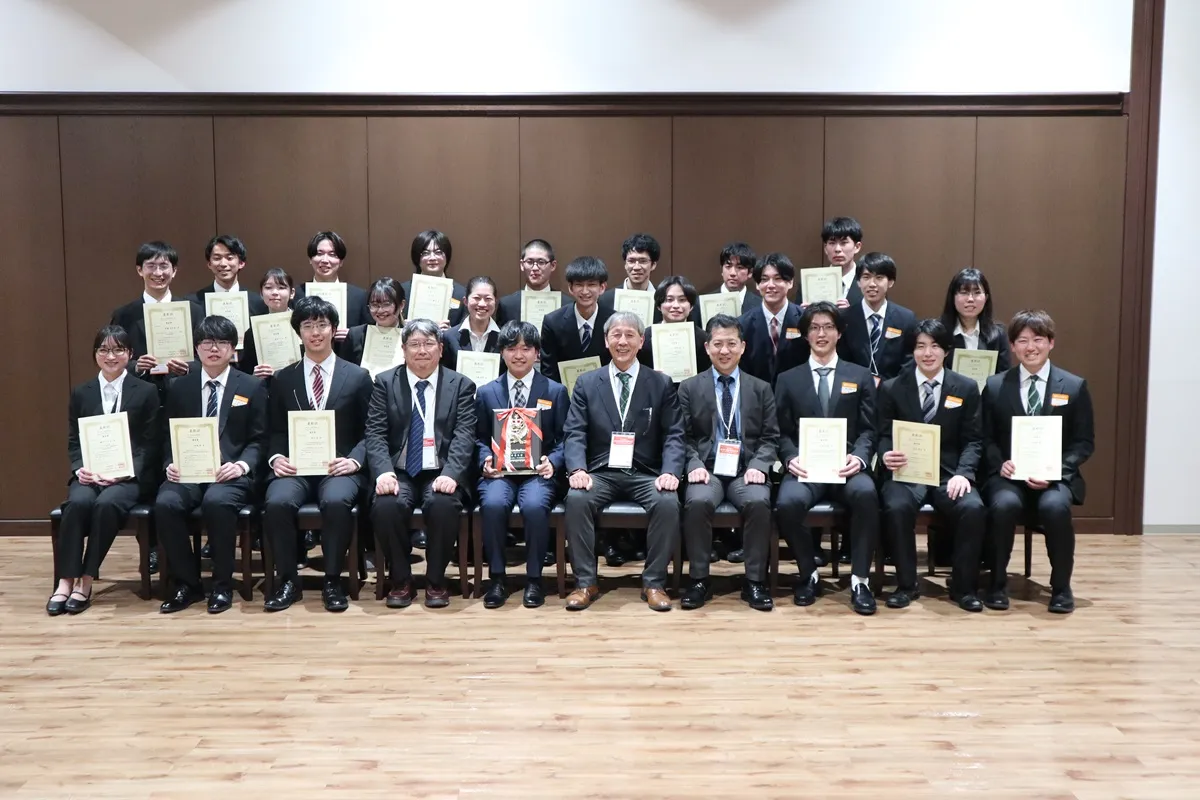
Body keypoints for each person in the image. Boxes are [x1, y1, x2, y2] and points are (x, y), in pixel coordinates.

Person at [562, 311, 685, 612]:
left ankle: (654, 583)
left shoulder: (660, 382)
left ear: (641, 341)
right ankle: (585, 583)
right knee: (576, 498)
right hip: (601, 472)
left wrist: (670, 472)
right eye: (616, 335)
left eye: (630, 335)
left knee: (667, 501)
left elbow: (674, 434)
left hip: (645, 472)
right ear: (606, 341)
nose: (622, 341)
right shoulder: (587, 383)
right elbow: (575, 432)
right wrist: (577, 469)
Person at [261, 296, 373, 613]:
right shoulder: (283, 378)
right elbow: (274, 430)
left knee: (336, 501)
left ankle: (333, 580)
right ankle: (287, 580)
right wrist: (276, 458)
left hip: (340, 467)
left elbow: (371, 430)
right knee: (277, 501)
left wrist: (354, 460)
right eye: (308, 326)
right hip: (295, 467)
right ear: (298, 332)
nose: (315, 332)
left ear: (333, 330)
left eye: (322, 325)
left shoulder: (358, 376)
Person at [982, 310, 1094, 614]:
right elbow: (985, 437)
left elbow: (1084, 442)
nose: (1030, 347)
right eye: (1022, 341)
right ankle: (997, 583)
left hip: (1054, 478)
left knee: (1055, 507)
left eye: (1038, 339)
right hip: (1009, 477)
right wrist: (1000, 463)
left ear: (1051, 342)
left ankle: (1061, 587)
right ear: (1012, 346)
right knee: (1003, 505)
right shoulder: (995, 386)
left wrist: (1056, 470)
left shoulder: (1073, 386)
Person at [155, 315, 268, 614]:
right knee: (166, 503)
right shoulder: (180, 387)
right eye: (207, 342)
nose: (214, 349)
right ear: (196, 348)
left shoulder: (252, 386)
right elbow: (167, 435)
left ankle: (221, 586)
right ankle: (187, 584)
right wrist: (169, 463)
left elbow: (260, 439)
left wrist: (242, 465)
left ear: (233, 350)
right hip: (189, 471)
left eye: (221, 342)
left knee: (217, 502)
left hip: (230, 473)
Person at [774, 301, 879, 615]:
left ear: (839, 333)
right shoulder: (788, 379)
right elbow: (780, 431)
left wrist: (860, 458)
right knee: (787, 503)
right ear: (805, 335)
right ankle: (809, 573)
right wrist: (789, 457)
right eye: (815, 328)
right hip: (806, 467)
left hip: (847, 467)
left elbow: (869, 429)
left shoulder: (860, 376)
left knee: (867, 494)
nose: (822, 334)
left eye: (829, 327)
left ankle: (860, 580)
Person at [366, 318, 477, 609]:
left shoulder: (460, 385)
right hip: (398, 470)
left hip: (440, 469)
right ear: (403, 350)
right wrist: (383, 472)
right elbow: (375, 434)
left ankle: (436, 580)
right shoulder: (385, 382)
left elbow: (465, 435)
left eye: (428, 343)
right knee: (386, 505)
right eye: (414, 344)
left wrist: (452, 473)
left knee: (443, 503)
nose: (422, 350)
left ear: (441, 348)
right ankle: (401, 580)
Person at [877, 319, 987, 612]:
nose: (927, 353)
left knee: (972, 508)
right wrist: (886, 454)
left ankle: (963, 587)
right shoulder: (892, 388)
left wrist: (964, 474)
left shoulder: (966, 387)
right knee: (896, 507)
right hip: (906, 472)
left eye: (935, 346)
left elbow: (974, 440)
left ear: (947, 350)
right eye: (920, 346)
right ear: (912, 351)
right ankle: (906, 584)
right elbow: (883, 434)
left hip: (948, 474)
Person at [49, 325, 159, 616]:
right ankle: (65, 581)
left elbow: (150, 443)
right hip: (90, 474)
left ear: (130, 354)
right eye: (104, 350)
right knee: (77, 503)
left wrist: (126, 472)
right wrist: (80, 468)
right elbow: (74, 440)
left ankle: (85, 580)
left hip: (128, 477)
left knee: (108, 504)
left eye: (118, 350)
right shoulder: (81, 392)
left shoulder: (146, 391)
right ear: (95, 354)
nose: (111, 356)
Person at [677, 314, 778, 611]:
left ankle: (755, 581)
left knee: (758, 502)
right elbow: (681, 436)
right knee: (697, 502)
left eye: (731, 344)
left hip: (746, 470)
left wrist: (759, 465)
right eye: (718, 344)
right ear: (707, 347)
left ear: (743, 347)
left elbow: (771, 437)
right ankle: (699, 579)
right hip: (706, 469)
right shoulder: (689, 388)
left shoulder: (761, 388)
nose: (724, 351)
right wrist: (693, 464)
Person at [474, 321, 569, 608]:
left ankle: (534, 579)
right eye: (511, 348)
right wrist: (484, 460)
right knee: (492, 504)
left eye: (526, 348)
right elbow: (477, 438)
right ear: (501, 353)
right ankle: (497, 578)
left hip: (538, 473)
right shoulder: (486, 392)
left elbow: (568, 437)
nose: (519, 355)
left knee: (535, 506)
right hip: (499, 473)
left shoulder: (554, 391)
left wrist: (554, 461)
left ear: (537, 353)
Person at [110, 240, 203, 380]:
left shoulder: (193, 312)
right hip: (139, 389)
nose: (158, 273)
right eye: (151, 266)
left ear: (174, 271)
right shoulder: (123, 315)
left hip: (182, 388)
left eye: (164, 266)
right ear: (139, 270)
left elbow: (205, 355)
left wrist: (188, 367)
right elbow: (113, 356)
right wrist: (136, 367)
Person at [837, 252, 917, 383]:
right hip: (854, 388)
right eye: (866, 277)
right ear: (858, 282)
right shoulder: (845, 318)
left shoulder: (906, 318)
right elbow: (842, 360)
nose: (872, 284)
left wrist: (888, 386)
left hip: (892, 390)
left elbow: (909, 361)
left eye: (879, 278)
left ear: (890, 282)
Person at [539, 256, 614, 384]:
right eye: (579, 284)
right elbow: (548, 370)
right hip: (564, 392)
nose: (585, 291)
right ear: (570, 288)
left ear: (602, 287)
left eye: (591, 284)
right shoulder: (552, 322)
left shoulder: (614, 321)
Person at [738, 252, 807, 386]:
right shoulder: (743, 324)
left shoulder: (805, 320)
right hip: (757, 395)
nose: (770, 285)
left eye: (778, 278)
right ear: (757, 285)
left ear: (790, 282)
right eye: (764, 279)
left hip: (797, 393)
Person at [292, 231, 371, 333]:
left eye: (332, 254)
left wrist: (352, 335)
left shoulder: (359, 296)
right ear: (310, 259)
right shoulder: (296, 295)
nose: (325, 260)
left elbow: (368, 332)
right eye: (319, 254)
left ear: (341, 261)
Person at [939, 267, 1012, 374]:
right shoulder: (939, 332)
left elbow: (1004, 375)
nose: (970, 299)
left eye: (977, 293)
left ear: (986, 297)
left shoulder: (998, 334)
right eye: (964, 292)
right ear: (953, 297)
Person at [638, 276, 711, 377]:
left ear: (691, 306)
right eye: (669, 300)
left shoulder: (703, 338)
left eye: (682, 300)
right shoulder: (645, 337)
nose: (676, 305)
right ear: (659, 305)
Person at [188, 234, 269, 316]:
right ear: (209, 264)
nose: (223, 264)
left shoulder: (258, 303)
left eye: (229, 258)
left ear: (241, 263)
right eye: (217, 258)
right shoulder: (193, 303)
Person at [401, 229, 468, 328]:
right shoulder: (401, 291)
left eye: (438, 252)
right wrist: (402, 328)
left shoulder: (462, 294)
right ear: (416, 258)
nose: (432, 258)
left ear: (447, 256)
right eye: (425, 253)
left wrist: (450, 333)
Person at [496, 239, 570, 325]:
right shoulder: (507, 305)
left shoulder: (567, 305)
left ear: (553, 265)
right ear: (522, 265)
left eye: (541, 262)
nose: (535, 268)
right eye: (529, 262)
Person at [239, 268, 296, 378]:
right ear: (261, 293)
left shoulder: (303, 325)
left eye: (281, 287)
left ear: (292, 293)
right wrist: (253, 375)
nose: (274, 293)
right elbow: (246, 369)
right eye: (268, 288)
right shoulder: (253, 332)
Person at [339, 277, 407, 368]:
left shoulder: (410, 335)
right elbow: (344, 369)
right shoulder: (356, 335)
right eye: (374, 305)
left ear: (401, 305)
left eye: (386, 304)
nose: (380, 310)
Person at [442, 276, 503, 372]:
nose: (482, 304)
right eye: (477, 298)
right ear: (465, 301)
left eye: (488, 298)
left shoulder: (504, 338)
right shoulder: (449, 337)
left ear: (495, 301)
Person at [812, 216, 864, 308]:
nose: (837, 249)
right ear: (825, 248)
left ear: (857, 247)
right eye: (832, 243)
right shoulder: (810, 282)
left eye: (843, 243)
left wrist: (850, 313)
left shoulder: (868, 283)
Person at [718, 241, 762, 313]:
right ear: (722, 269)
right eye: (728, 266)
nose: (732, 273)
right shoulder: (702, 303)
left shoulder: (761, 306)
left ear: (750, 272)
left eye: (739, 267)